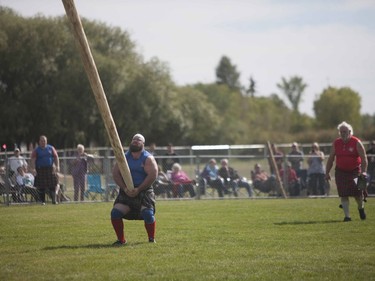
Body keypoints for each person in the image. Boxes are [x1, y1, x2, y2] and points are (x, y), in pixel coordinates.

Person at [110, 133, 158, 246]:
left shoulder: (147, 158)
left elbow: (153, 175)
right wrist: (124, 188)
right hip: (126, 190)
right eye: (134, 139)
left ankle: (151, 239)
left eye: (139, 140)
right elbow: (116, 173)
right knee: (115, 213)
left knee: (148, 213)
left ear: (143, 144)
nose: (135, 141)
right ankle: (121, 240)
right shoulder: (123, 157)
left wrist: (139, 189)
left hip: (144, 190)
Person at [325, 121, 368, 222]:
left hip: (356, 171)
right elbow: (331, 159)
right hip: (341, 172)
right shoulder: (336, 143)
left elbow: (364, 158)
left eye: (345, 131)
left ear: (349, 131)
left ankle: (361, 208)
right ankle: (347, 216)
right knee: (343, 194)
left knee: (358, 194)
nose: (343, 133)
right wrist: (327, 172)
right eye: (341, 132)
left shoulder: (357, 142)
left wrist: (364, 172)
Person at [30, 135, 60, 205]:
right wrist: (34, 168)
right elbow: (33, 160)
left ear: (46, 141)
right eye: (42, 141)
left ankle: (54, 200)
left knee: (53, 185)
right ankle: (42, 201)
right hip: (40, 169)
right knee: (41, 186)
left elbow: (56, 157)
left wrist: (57, 166)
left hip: (50, 169)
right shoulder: (36, 150)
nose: (43, 142)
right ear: (39, 142)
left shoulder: (51, 148)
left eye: (44, 141)